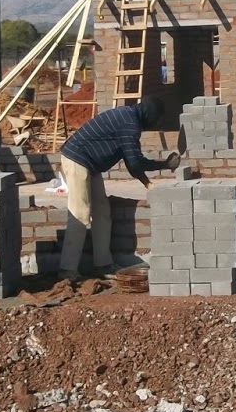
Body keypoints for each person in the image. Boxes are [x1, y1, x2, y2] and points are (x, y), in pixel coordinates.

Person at [57, 99, 175, 279]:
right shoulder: (130, 124)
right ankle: (67, 270)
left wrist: (147, 183)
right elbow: (136, 163)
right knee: (80, 212)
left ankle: (103, 264)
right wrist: (165, 165)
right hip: (77, 159)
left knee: (102, 211)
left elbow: (130, 161)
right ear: (149, 115)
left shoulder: (129, 117)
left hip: (90, 164)